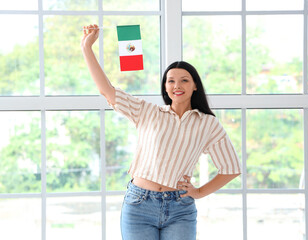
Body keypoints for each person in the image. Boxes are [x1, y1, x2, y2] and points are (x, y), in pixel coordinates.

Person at [81, 24, 241, 240]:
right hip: (139, 205)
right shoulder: (147, 112)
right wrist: (87, 48)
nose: (177, 85)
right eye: (171, 80)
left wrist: (199, 192)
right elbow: (107, 91)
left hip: (180, 208)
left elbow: (230, 168)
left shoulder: (208, 124)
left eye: (184, 80)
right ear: (165, 87)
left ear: (195, 86)